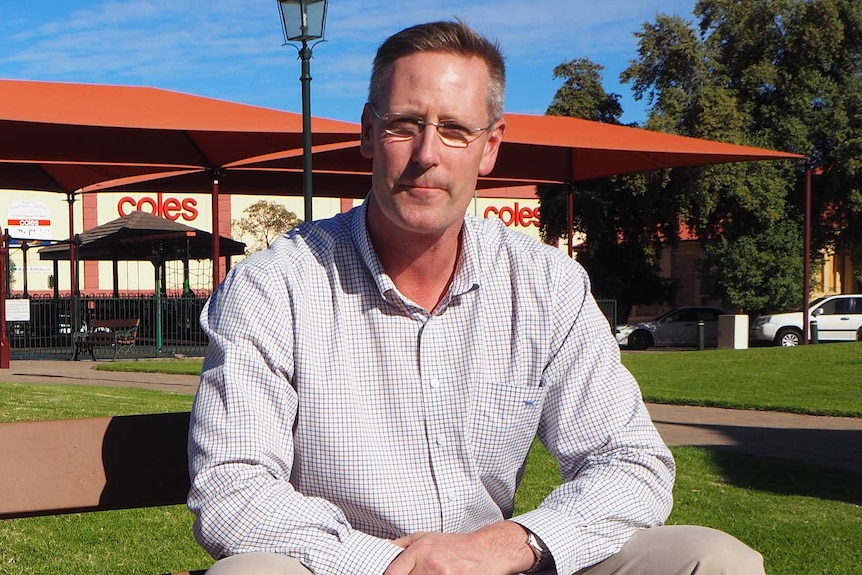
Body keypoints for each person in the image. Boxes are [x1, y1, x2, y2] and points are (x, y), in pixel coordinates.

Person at [187, 20, 766, 575]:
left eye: (455, 131)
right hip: (344, 568)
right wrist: (390, 565)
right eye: (404, 125)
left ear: (490, 147)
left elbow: (630, 462)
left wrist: (513, 544)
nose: (427, 155)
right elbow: (233, 489)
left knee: (714, 561)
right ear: (367, 132)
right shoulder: (275, 287)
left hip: (502, 564)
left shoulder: (543, 283)